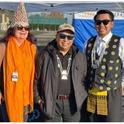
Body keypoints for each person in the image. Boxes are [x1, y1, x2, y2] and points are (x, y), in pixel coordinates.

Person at [34, 23, 87, 122]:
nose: (66, 40)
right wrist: (38, 100)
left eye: (69, 37)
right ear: (56, 36)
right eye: (62, 36)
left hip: (73, 103)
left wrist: (81, 98)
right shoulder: (44, 55)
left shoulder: (80, 56)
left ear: (73, 39)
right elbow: (35, 79)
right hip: (51, 102)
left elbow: (84, 79)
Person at [0, 2, 37, 122]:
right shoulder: (4, 46)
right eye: (19, 27)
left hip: (25, 97)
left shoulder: (32, 48)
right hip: (7, 96)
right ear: (13, 29)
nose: (23, 30)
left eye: (26, 28)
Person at [85, 9, 124, 122]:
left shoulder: (120, 42)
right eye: (98, 22)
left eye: (105, 22)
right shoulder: (88, 42)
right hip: (92, 92)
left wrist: (122, 84)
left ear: (112, 24)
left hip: (112, 93)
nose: (101, 25)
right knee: (93, 120)